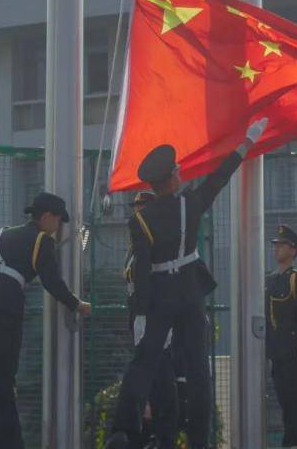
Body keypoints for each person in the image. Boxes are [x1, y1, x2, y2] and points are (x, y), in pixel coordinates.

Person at [105, 118, 268, 449]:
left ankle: (122, 431)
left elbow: (142, 269)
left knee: (144, 362)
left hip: (159, 295)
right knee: (197, 371)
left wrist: (140, 315)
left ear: (153, 184)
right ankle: (198, 441)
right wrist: (245, 143)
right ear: (174, 177)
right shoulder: (188, 204)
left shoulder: (139, 220)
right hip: (189, 294)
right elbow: (218, 179)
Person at [0, 192, 92, 449]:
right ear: (47, 217)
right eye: (57, 220)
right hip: (5, 308)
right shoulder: (42, 241)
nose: (58, 228)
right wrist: (77, 304)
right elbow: (52, 282)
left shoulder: (4, 233)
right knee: (4, 383)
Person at [123, 191, 178, 449]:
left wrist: (157, 320)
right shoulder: (134, 247)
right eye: (136, 208)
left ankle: (165, 438)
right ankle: (152, 436)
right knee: (151, 381)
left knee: (163, 380)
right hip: (139, 315)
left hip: (155, 316)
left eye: (142, 207)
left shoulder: (157, 244)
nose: (138, 212)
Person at [265, 224, 297, 447]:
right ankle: (289, 442)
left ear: (293, 250)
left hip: (294, 353)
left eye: (282, 245)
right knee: (284, 401)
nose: (276, 249)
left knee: (296, 402)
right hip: (276, 351)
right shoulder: (271, 279)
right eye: (275, 245)